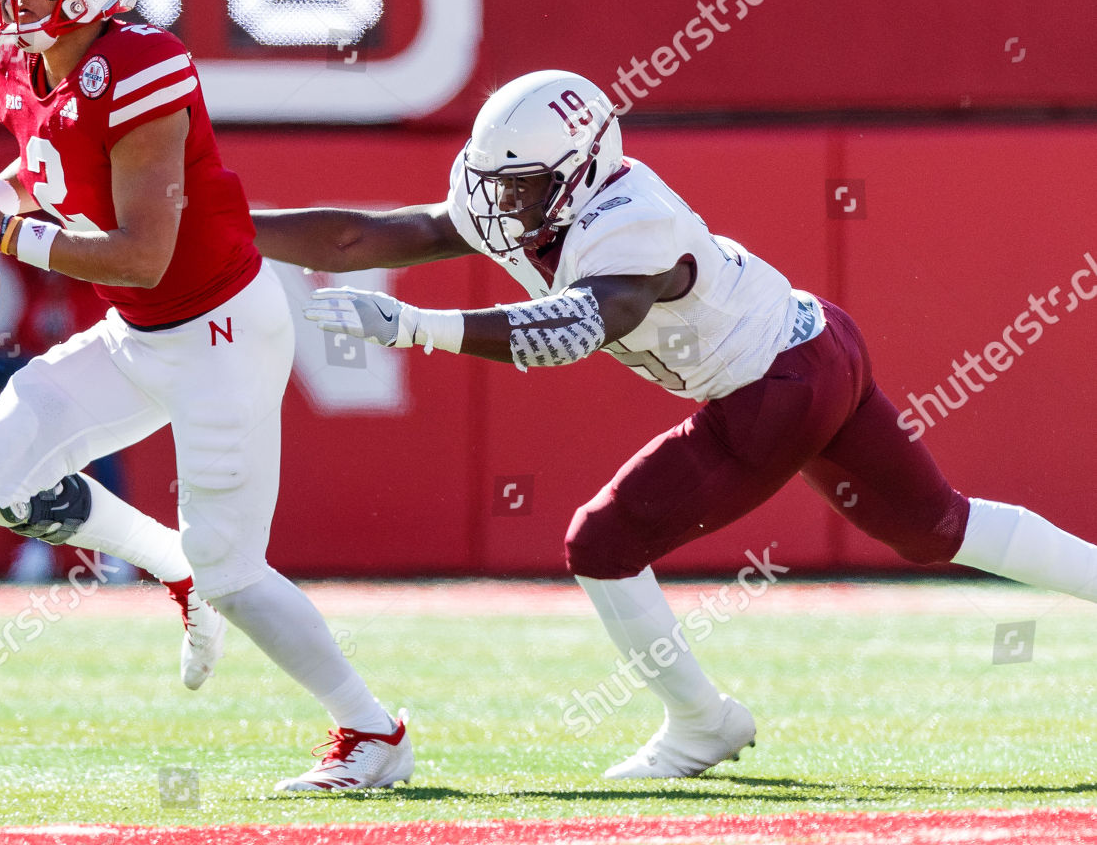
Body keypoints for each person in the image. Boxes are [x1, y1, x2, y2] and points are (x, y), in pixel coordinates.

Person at [251, 69, 1097, 778]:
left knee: (602, 545)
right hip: (817, 341)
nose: (495, 198)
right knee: (934, 526)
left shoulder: (631, 220)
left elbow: (578, 329)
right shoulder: (534, 193)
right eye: (493, 177)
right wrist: (229, 232)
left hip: (777, 387)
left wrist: (417, 329)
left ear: (579, 173)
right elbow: (366, 236)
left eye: (518, 184)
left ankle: (701, 722)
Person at [0, 0, 411, 792]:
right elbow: (45, 163)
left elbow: (141, 255)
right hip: (142, 334)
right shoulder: (25, 63)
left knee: (235, 570)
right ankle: (167, 563)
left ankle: (374, 732)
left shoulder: (143, 65)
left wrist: (2, 234)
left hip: (219, 332)